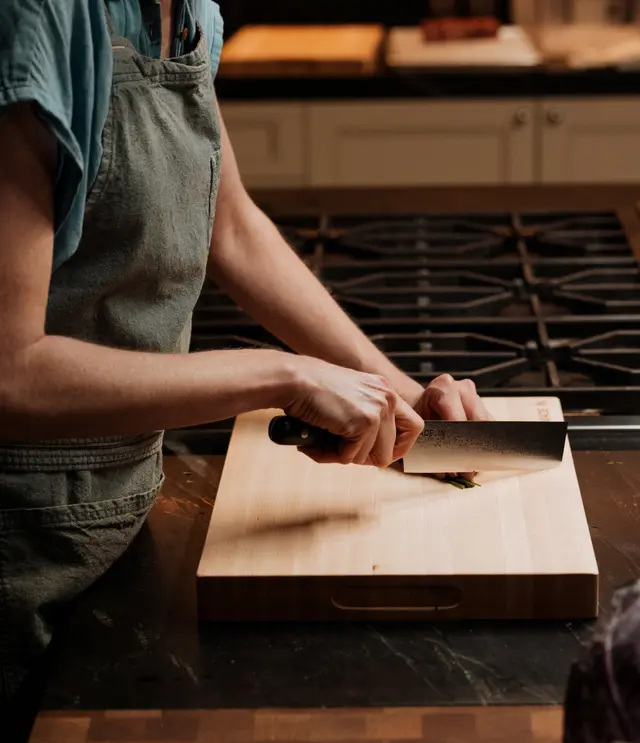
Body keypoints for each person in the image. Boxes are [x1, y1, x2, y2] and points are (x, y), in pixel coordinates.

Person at [0, 0, 490, 707]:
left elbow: (231, 227)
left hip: (120, 515)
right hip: (23, 549)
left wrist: (403, 397)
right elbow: (12, 373)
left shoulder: (186, 9)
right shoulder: (37, 18)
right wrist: (280, 375)